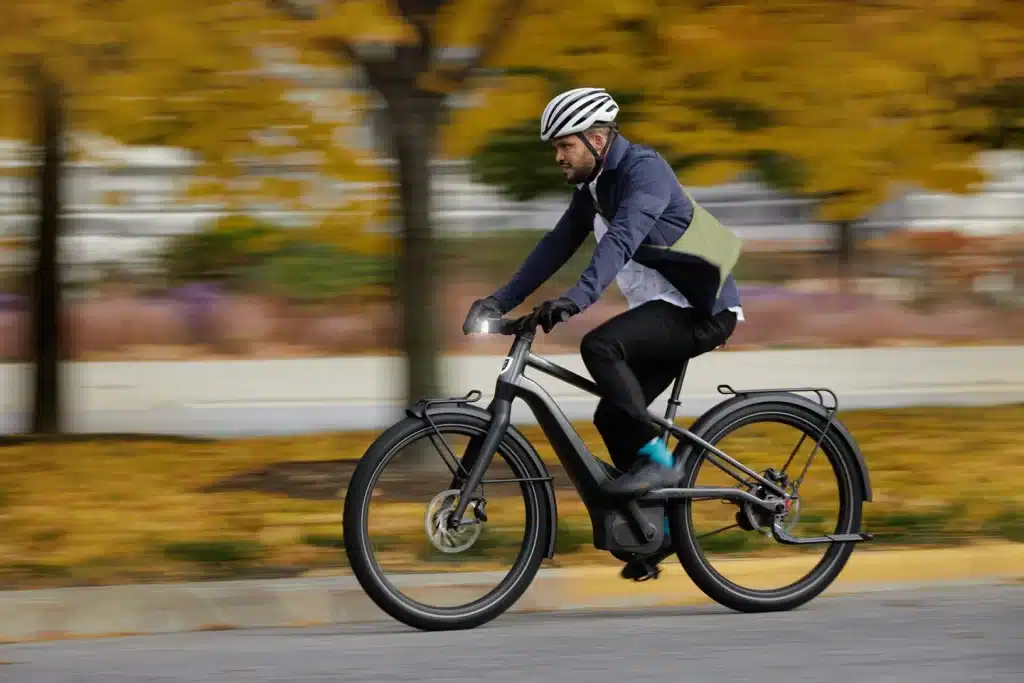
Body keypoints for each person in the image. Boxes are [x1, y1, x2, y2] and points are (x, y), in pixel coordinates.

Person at [462, 87, 744, 577]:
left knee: (601, 344)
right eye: (555, 147)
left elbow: (622, 238)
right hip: (664, 308)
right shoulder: (594, 188)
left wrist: (577, 299)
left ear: (596, 139)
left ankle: (659, 464)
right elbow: (554, 247)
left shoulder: (645, 172)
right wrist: (499, 300)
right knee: (613, 416)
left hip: (701, 308)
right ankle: (658, 534)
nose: (557, 156)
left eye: (564, 145)